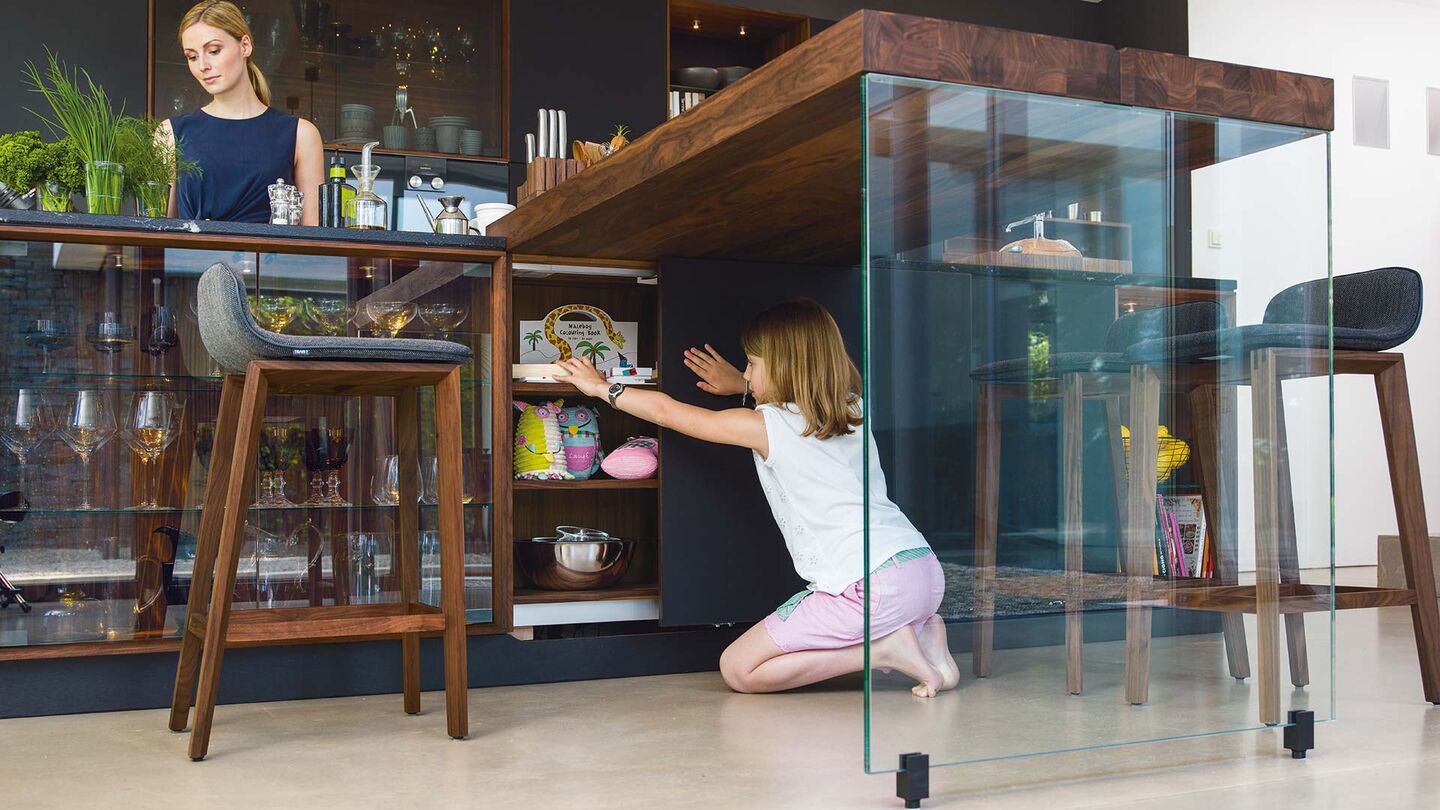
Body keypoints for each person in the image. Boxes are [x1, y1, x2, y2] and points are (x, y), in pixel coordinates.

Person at [556, 299, 960, 697]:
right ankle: (925, 639)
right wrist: (742, 384)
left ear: (781, 367)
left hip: (866, 588)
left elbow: (667, 412)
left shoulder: (766, 426)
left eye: (751, 363)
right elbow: (800, 398)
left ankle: (884, 649)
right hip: (919, 570)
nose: (745, 371)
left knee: (740, 669)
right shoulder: (853, 409)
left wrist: (599, 387)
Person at [160, 1, 324, 224]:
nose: (203, 65)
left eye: (214, 51)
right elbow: (156, 234)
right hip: (193, 258)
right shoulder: (170, 132)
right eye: (192, 56)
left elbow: (314, 242)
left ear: (245, 46)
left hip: (269, 258)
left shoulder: (301, 134)